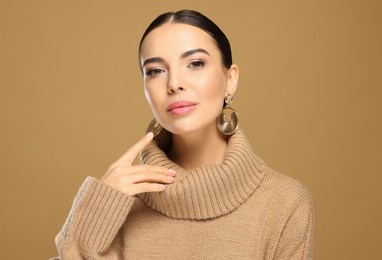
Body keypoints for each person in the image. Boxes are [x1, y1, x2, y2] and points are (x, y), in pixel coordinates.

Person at [52, 9, 314, 260]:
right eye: (155, 71)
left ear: (231, 79)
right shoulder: (118, 203)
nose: (174, 83)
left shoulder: (284, 202)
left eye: (196, 63)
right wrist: (94, 213)